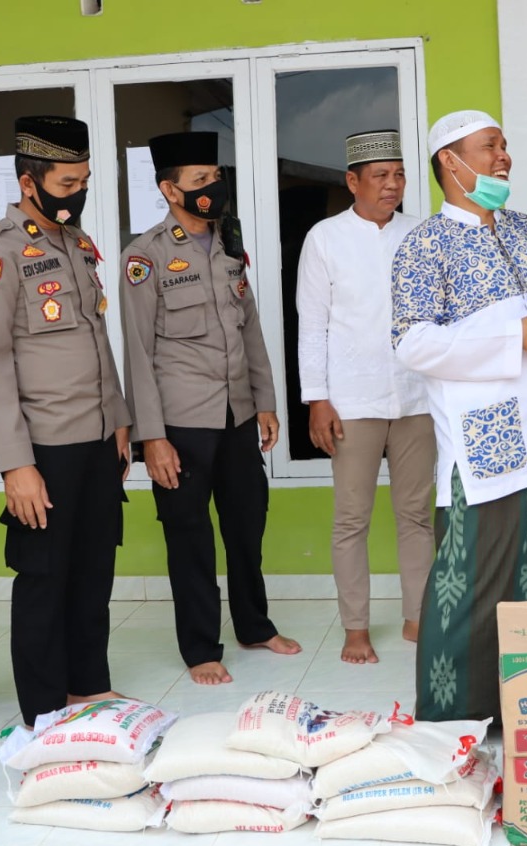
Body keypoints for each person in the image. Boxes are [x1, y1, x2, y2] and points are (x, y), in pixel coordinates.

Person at [391, 109, 527, 722]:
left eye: (503, 145)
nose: (503, 157)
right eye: (489, 147)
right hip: (486, 446)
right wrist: (515, 339)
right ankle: (452, 717)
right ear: (449, 161)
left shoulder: (526, 230)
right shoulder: (425, 244)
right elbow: (413, 344)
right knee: (474, 585)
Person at [0, 116, 130, 728]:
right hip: (44, 447)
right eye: (66, 182)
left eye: (84, 180)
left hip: (97, 437)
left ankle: (88, 685)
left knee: (93, 567)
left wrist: (119, 418)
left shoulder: (79, 245)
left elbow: (97, 339)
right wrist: (16, 464)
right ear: (28, 182)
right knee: (43, 578)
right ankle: (43, 707)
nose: (77, 192)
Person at [120, 131, 299, 687]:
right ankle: (199, 647)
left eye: (215, 177)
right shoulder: (144, 257)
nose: (212, 188)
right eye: (200, 181)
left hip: (237, 415)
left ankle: (254, 624)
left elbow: (251, 331)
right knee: (190, 537)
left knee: (247, 526)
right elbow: (137, 353)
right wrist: (152, 437)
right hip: (181, 423)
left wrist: (266, 402)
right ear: (169, 189)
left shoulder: (229, 247)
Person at [296, 130, 435, 664]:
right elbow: (313, 327)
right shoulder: (325, 238)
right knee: (352, 518)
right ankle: (356, 627)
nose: (393, 185)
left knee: (417, 515)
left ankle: (417, 617)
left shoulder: (421, 234)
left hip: (415, 395)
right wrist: (317, 399)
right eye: (380, 176)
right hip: (350, 400)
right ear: (352, 181)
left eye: (399, 174)